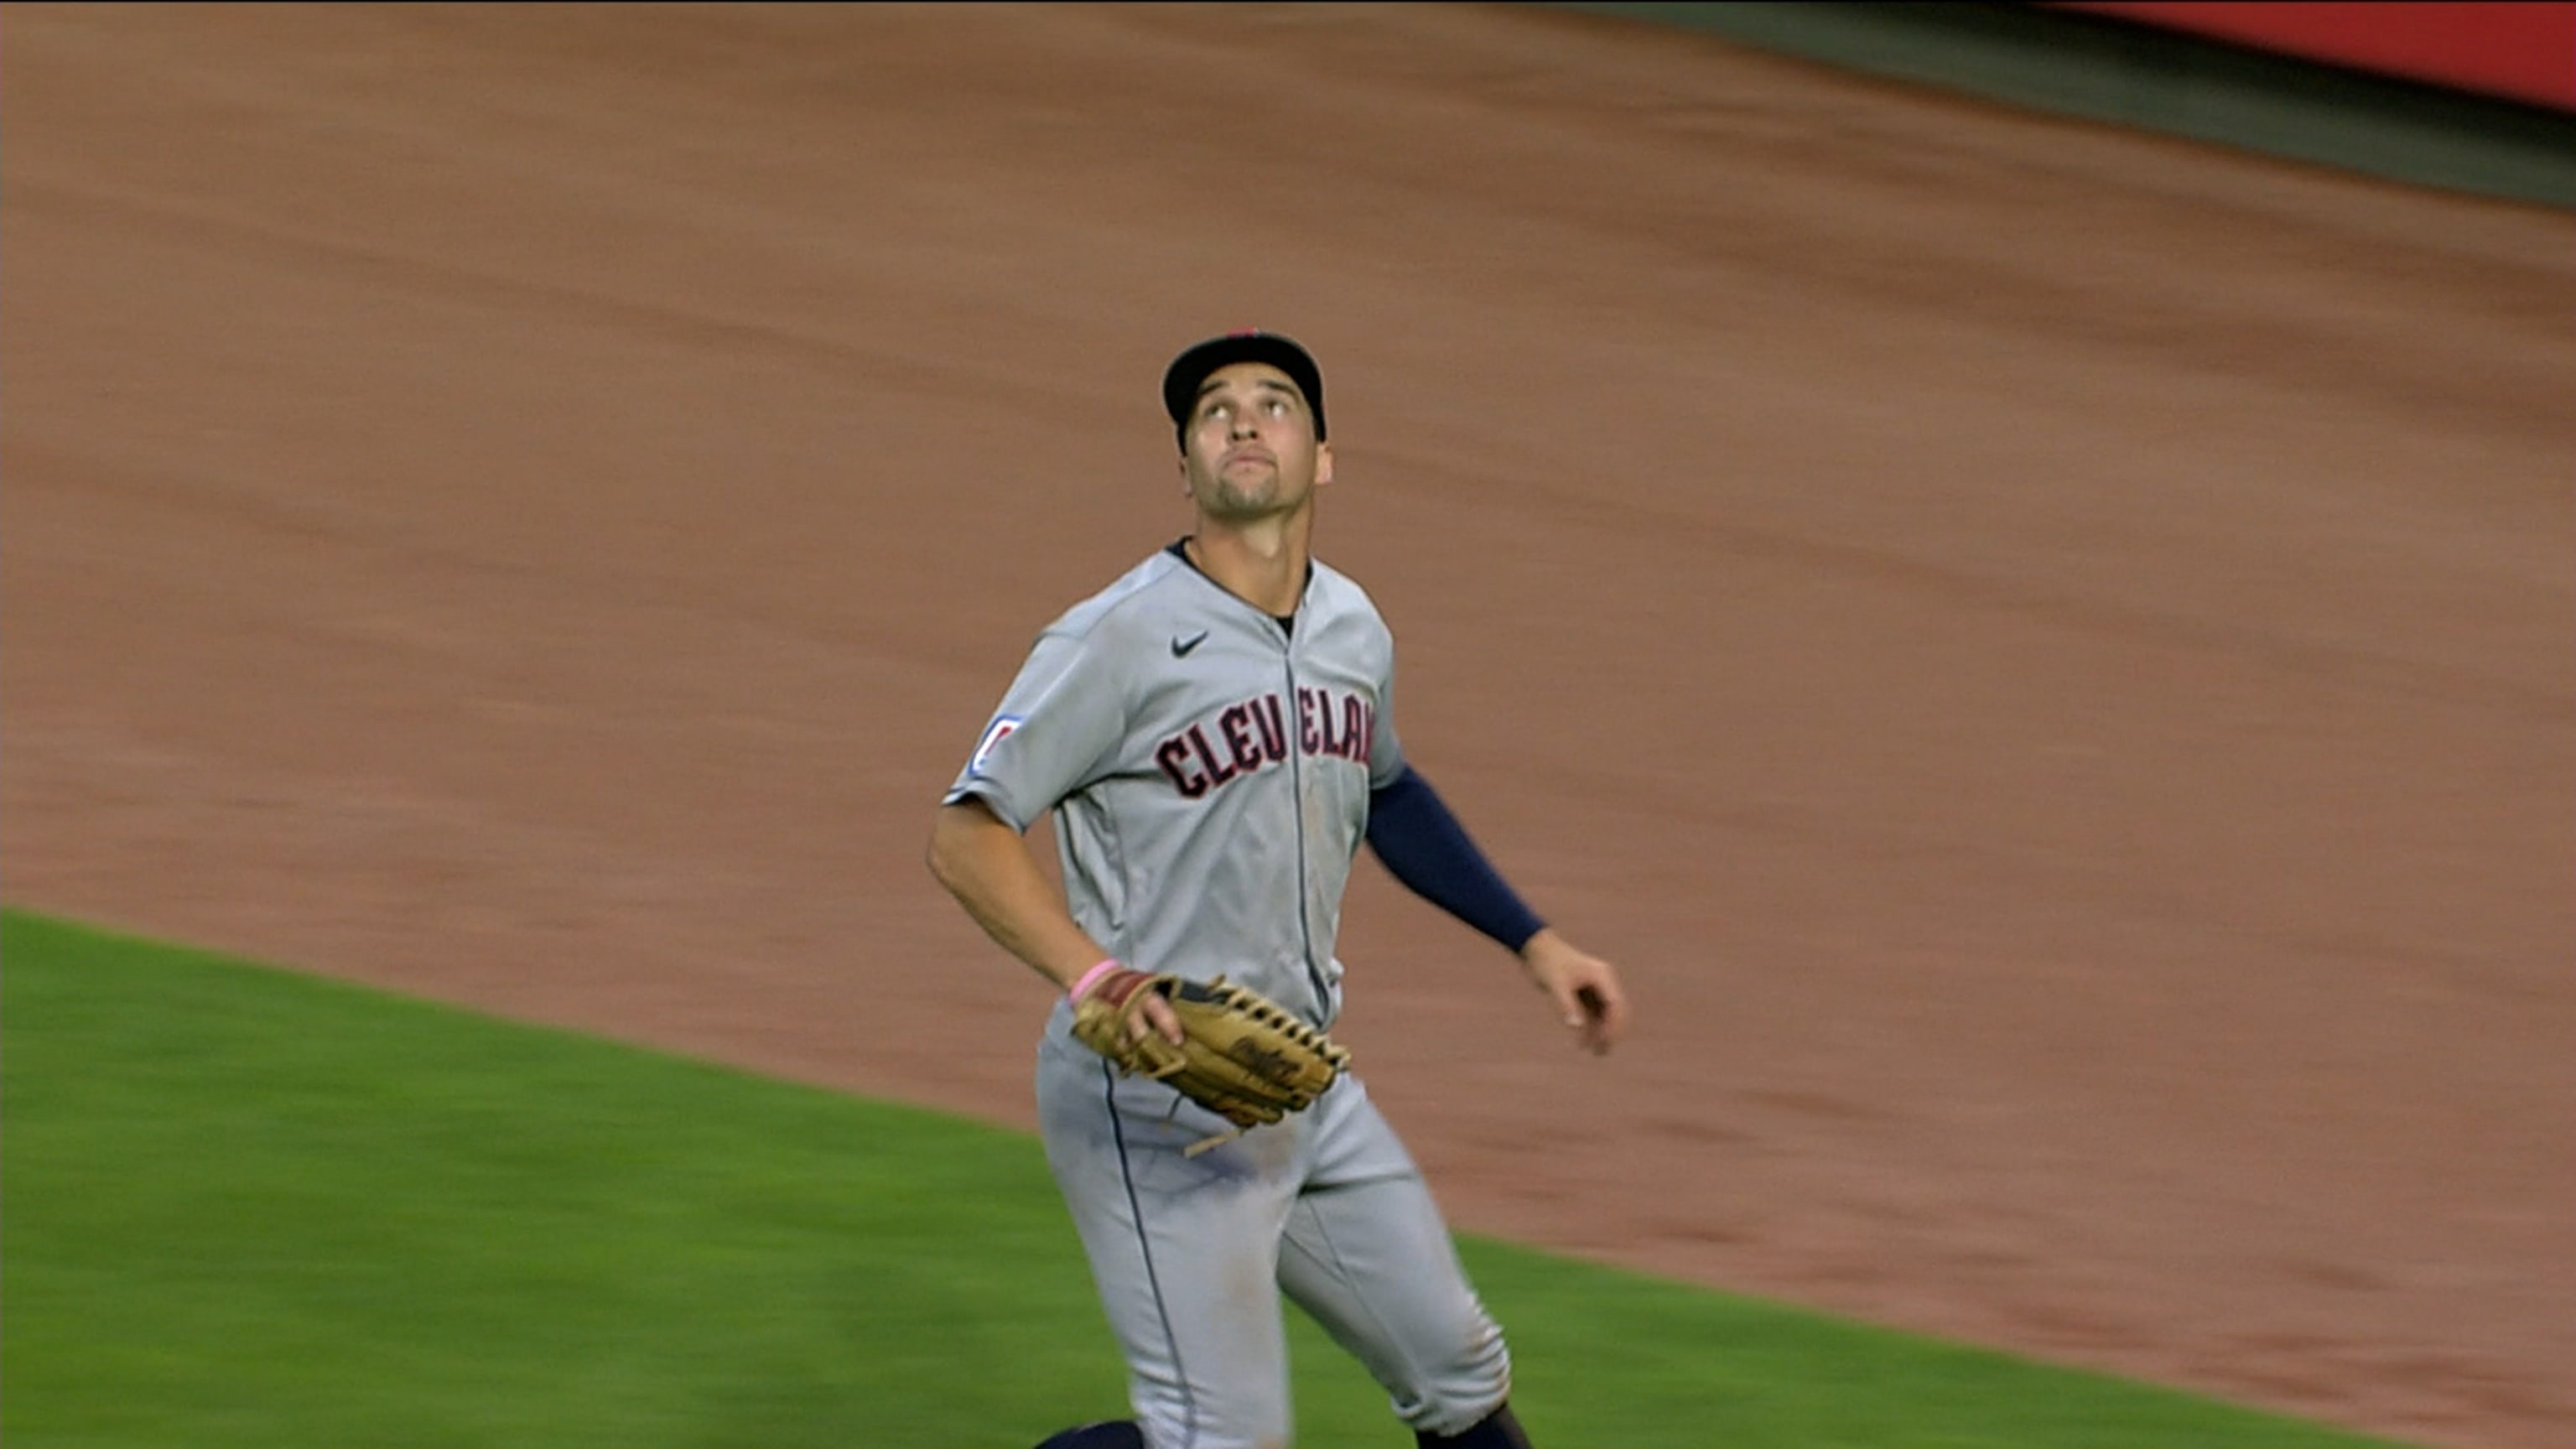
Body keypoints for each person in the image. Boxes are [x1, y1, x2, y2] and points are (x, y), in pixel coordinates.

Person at [926, 330, 1630, 1449]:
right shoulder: (1116, 639)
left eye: (1274, 404)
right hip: (1153, 1102)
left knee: (1457, 1369)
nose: (1245, 421)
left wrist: (1533, 941)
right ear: (1187, 465)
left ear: (1323, 456)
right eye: (1215, 411)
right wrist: (1095, 974)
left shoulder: (1354, 626)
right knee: (1225, 1442)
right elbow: (967, 833)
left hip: (1294, 1078)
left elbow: (1388, 791)